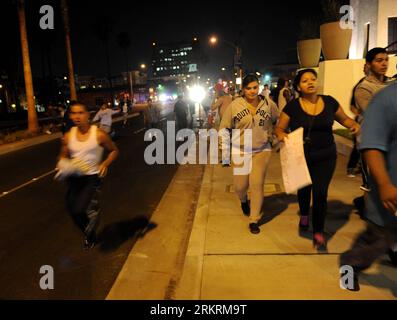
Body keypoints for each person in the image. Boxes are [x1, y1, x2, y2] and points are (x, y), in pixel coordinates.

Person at [275, 69, 360, 252]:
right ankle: (304, 214)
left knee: (320, 193)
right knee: (304, 188)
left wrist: (353, 125)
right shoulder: (292, 107)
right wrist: (282, 136)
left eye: (313, 79)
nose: (311, 82)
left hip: (326, 156)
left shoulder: (329, 102)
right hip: (301, 156)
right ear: (298, 86)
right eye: (305, 81)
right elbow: (280, 128)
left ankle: (319, 233)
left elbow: (344, 119)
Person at [340, 82, 397, 291]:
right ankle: (347, 268)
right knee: (374, 243)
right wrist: (384, 184)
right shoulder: (386, 99)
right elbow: (371, 146)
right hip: (390, 195)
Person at [219, 74, 279, 235]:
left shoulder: (268, 104)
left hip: (262, 150)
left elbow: (279, 120)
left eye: (255, 87)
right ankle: (243, 200)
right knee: (240, 186)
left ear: (258, 87)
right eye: (248, 88)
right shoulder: (235, 105)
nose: (252, 91)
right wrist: (224, 152)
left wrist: (275, 137)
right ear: (243, 89)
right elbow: (224, 128)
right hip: (240, 150)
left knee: (257, 183)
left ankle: (254, 220)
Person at [56, 102, 119, 249]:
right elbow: (63, 156)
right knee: (72, 210)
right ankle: (90, 233)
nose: (77, 117)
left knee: (81, 209)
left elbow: (114, 150)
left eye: (81, 113)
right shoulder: (67, 136)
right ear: (70, 116)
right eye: (74, 113)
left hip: (92, 177)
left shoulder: (99, 134)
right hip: (74, 177)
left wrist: (104, 164)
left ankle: (91, 232)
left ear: (87, 115)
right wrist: (62, 165)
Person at [352, 48, 390, 217]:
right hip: (371, 143)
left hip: (391, 142)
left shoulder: (391, 84)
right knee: (373, 182)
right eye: (379, 60)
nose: (384, 63)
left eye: (386, 60)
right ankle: (372, 219)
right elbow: (374, 115)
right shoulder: (363, 88)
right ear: (369, 64)